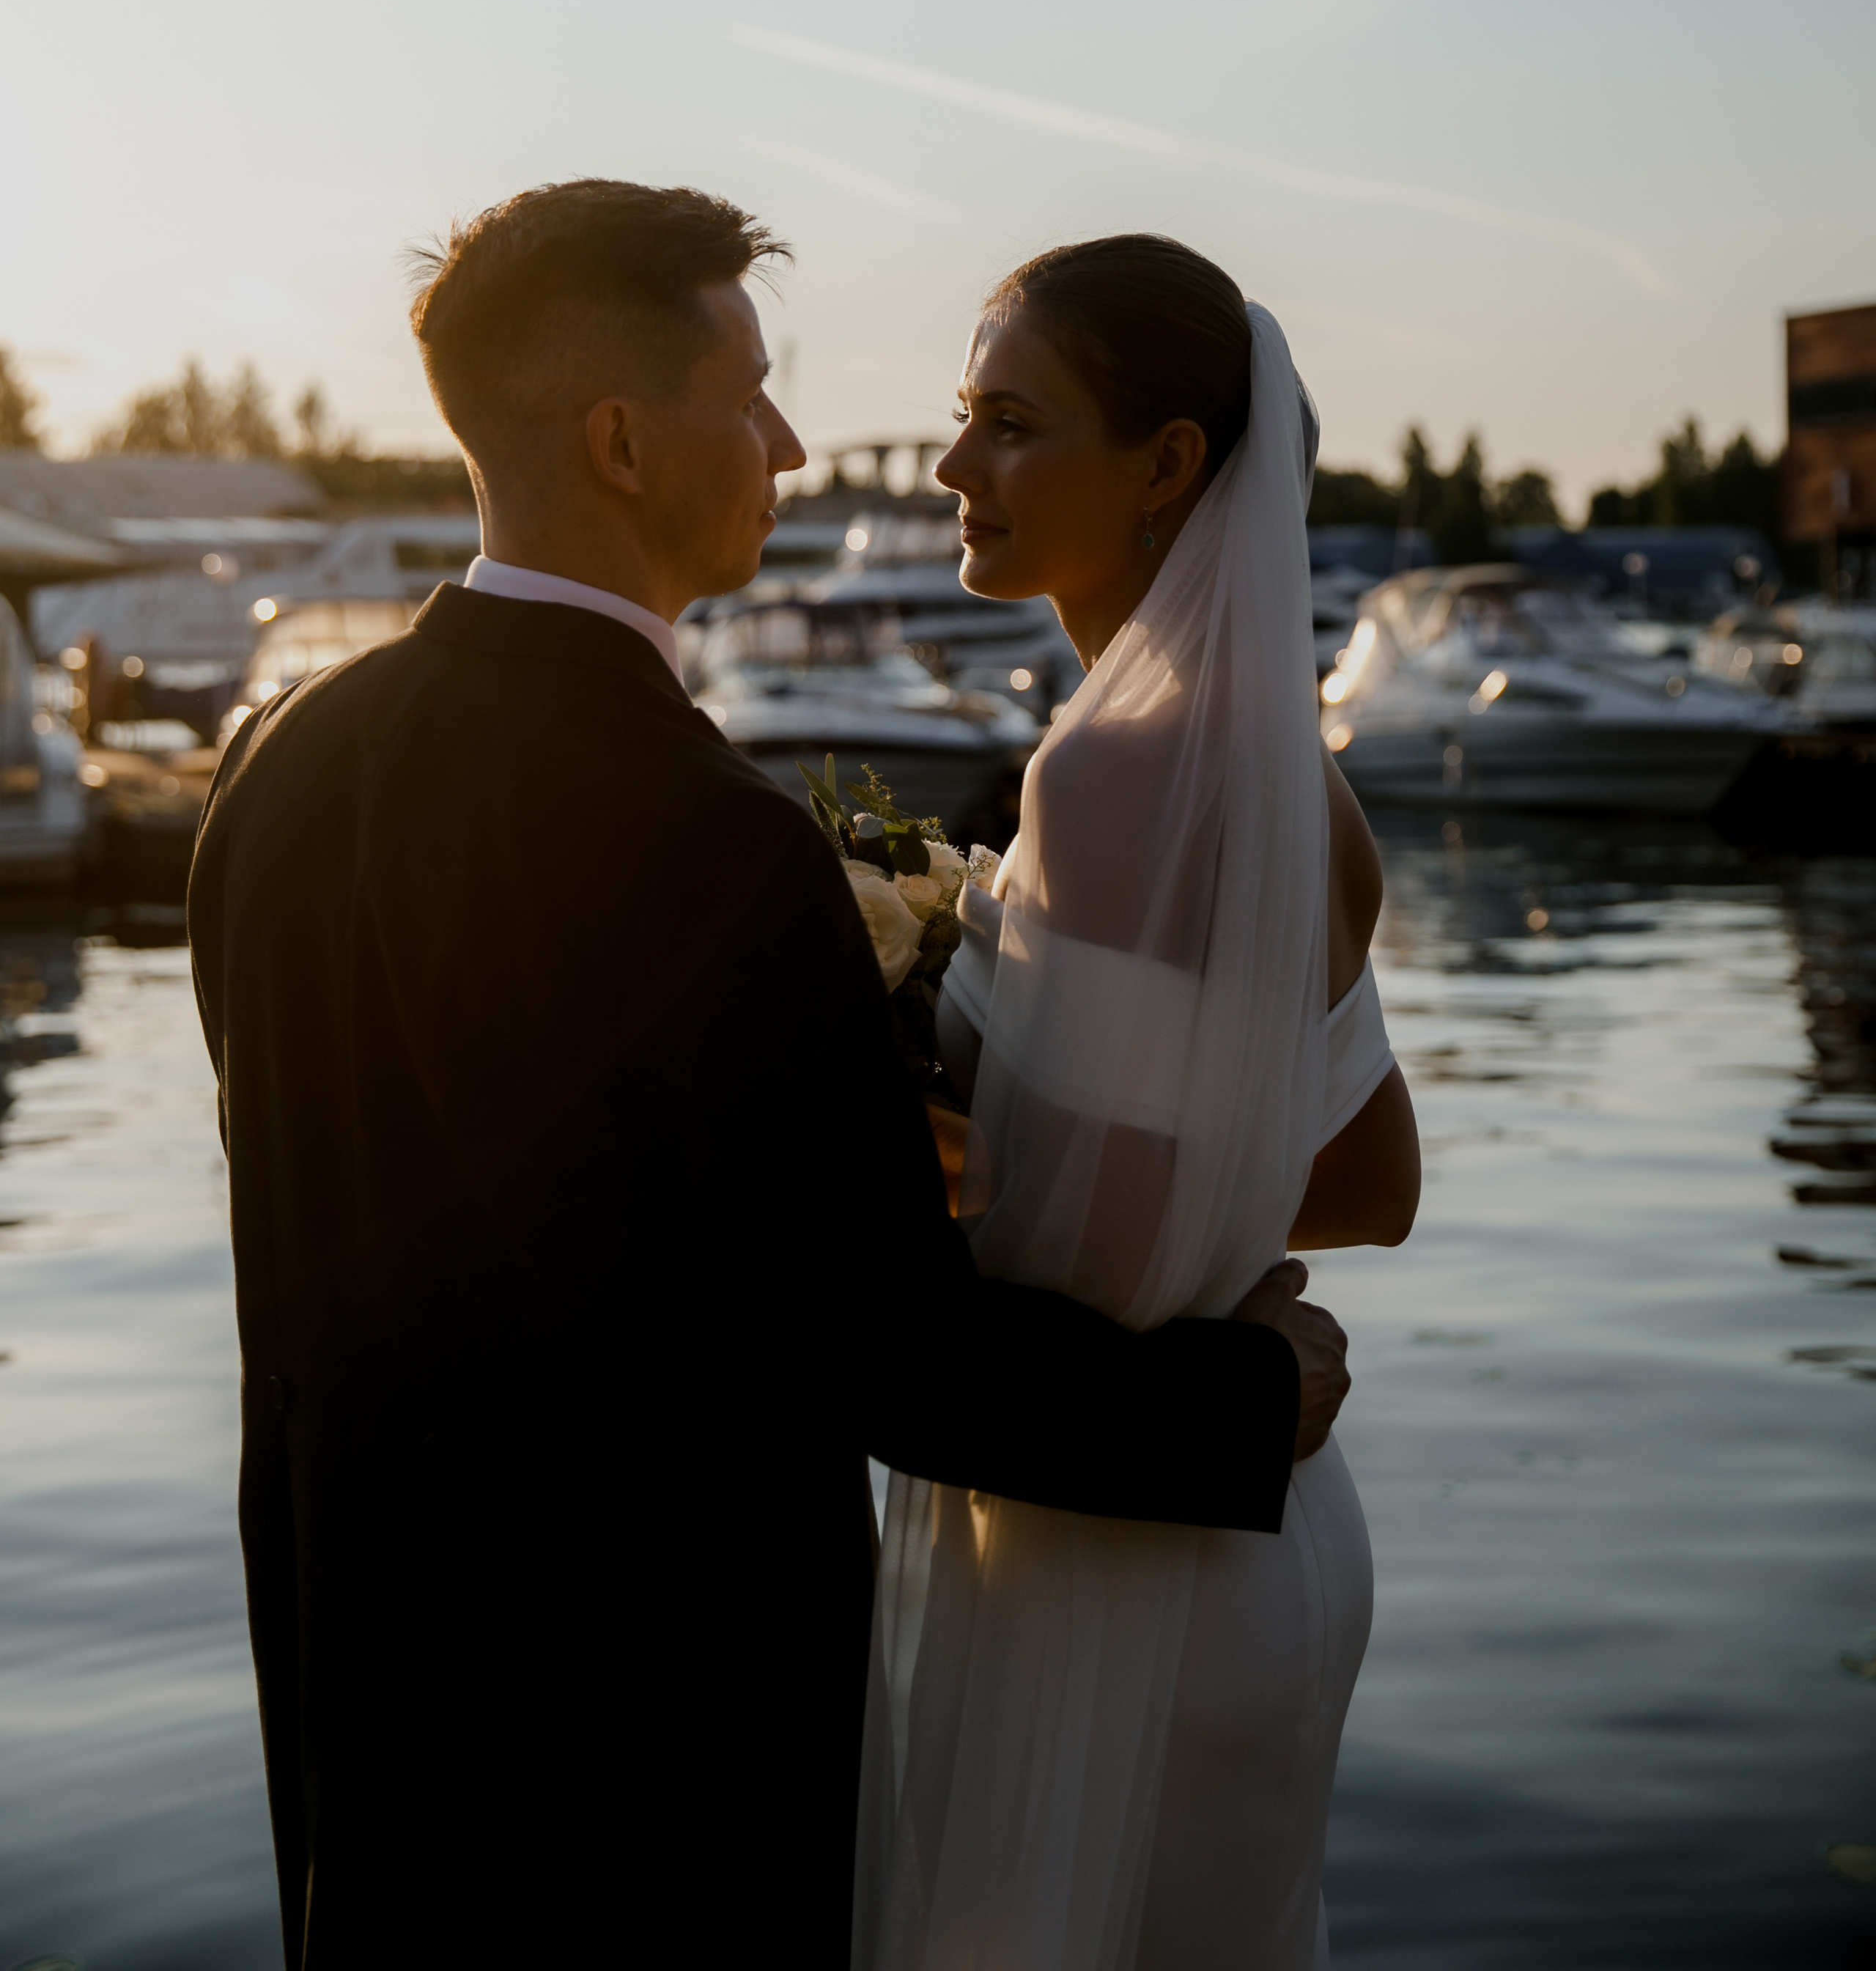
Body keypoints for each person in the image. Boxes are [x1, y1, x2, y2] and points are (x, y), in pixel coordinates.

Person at [187, 180, 1351, 1969]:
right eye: (749, 397)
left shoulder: (274, 769)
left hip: (369, 1744)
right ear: (621, 443)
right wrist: (1246, 1400)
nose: (791, 447)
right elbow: (889, 1354)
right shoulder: (713, 844)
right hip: (652, 1780)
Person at [854, 235, 1421, 1971]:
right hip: (1272, 1532)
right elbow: (1367, 1181)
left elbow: (1074, 1268)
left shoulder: (1108, 774)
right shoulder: (1296, 783)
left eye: (1010, 424)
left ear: (1168, 463)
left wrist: (870, 1134)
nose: (952, 465)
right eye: (963, 416)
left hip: (1121, 1545)